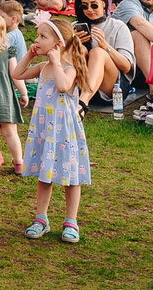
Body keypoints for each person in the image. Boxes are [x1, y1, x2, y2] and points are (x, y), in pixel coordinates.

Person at [20, 12, 100, 245]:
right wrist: (29, 54)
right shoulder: (43, 66)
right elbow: (17, 74)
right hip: (45, 130)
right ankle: (41, 218)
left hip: (64, 131)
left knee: (70, 177)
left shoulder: (69, 68)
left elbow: (64, 87)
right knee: (44, 174)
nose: (37, 40)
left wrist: (56, 62)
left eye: (41, 37)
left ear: (57, 44)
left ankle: (70, 221)